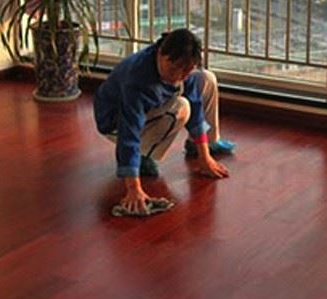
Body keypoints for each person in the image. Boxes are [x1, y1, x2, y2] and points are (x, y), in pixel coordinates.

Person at [94, 28, 236, 215]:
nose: (179, 76)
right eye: (174, 69)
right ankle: (144, 156)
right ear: (160, 53)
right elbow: (129, 132)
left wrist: (204, 156)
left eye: (186, 71)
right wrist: (133, 188)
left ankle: (204, 144)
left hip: (151, 110)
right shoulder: (137, 79)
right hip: (115, 123)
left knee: (205, 78)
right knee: (181, 107)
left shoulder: (183, 67)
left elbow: (196, 105)